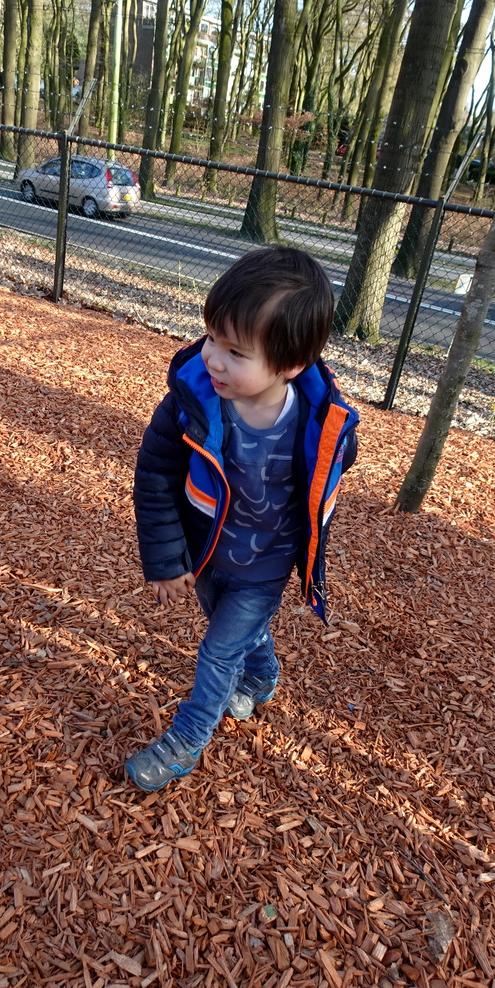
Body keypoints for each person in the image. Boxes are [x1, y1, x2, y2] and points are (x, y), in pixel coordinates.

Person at [126, 246, 359, 793]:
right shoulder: (192, 405)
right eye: (211, 338)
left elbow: (336, 458)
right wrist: (166, 561)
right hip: (208, 554)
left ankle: (184, 743)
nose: (213, 359)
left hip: (266, 568)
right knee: (232, 635)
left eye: (235, 350)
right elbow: (155, 476)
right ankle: (264, 676)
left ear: (290, 365)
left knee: (218, 650)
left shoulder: (317, 420)